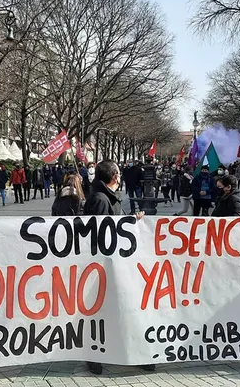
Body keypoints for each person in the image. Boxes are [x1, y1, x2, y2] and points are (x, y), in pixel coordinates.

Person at [82, 160, 149, 375]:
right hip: (106, 264)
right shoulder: (101, 199)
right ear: (114, 176)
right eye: (118, 173)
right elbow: (102, 233)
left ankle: (126, 353)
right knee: (105, 311)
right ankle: (95, 356)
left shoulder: (103, 196)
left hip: (113, 263)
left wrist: (130, 221)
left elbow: (113, 225)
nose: (121, 177)